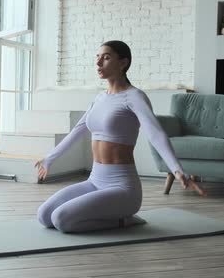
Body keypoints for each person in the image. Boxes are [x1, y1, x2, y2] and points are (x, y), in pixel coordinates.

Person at [34, 40, 206, 233]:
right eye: (97, 57)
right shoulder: (100, 98)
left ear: (123, 63)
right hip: (94, 181)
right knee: (44, 215)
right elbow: (77, 131)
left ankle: (125, 220)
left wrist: (177, 170)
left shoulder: (134, 97)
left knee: (61, 220)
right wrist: (50, 158)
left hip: (122, 189)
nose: (98, 63)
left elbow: (155, 133)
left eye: (106, 58)